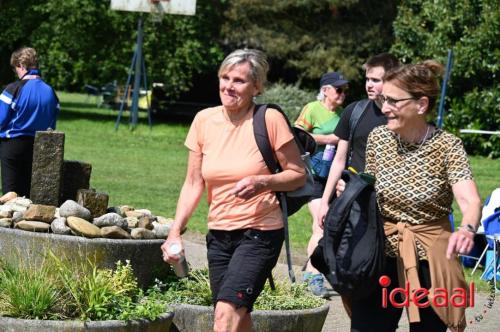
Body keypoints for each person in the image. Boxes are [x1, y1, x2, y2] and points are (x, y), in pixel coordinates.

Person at [161, 49, 306, 332]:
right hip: (218, 234)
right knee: (238, 318)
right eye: (224, 77)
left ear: (257, 87)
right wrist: (175, 230)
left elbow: (297, 175)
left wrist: (262, 182)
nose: (228, 86)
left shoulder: (269, 119)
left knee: (225, 316)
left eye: (238, 80)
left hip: (260, 233)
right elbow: (193, 183)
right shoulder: (204, 120)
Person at [346, 61, 482, 331]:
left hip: (430, 255)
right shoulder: (378, 139)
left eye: (393, 101)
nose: (384, 108)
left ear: (421, 105)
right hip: (381, 253)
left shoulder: (447, 145)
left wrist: (467, 229)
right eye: (384, 100)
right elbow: (371, 188)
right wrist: (351, 193)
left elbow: (470, 199)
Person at [317, 53, 400, 225]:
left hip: (390, 206)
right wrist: (325, 202)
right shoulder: (354, 111)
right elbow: (339, 160)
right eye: (367, 79)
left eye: (376, 80)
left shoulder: (403, 117)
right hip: (352, 199)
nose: (369, 85)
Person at [294, 71, 348, 297]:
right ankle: (313, 277)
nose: (343, 94)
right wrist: (329, 139)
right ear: (325, 90)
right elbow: (297, 135)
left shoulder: (345, 114)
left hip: (335, 179)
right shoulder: (312, 109)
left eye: (345, 90)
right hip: (314, 176)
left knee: (332, 228)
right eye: (338, 89)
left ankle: (310, 267)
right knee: (321, 224)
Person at [0, 47, 59, 198]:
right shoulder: (51, 92)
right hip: (40, 147)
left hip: (13, 145)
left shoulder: (13, 89)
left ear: (20, 65)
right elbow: (52, 124)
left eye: (15, 69)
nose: (16, 73)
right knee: (29, 195)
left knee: (10, 197)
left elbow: (1, 119)